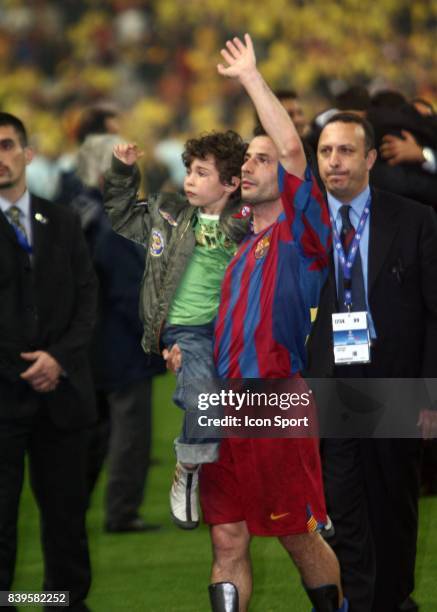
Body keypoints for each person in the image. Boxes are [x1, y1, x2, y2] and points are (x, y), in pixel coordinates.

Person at [178, 34, 346, 612]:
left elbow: (295, 152)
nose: (249, 165)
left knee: (298, 535)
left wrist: (251, 77)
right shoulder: (230, 239)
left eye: (261, 158)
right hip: (222, 403)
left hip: (276, 399)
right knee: (226, 537)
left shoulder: (302, 231)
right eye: (245, 158)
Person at [307, 111, 437, 611]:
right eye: (325, 151)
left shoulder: (414, 218)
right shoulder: (304, 223)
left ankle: (395, 599)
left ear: (368, 158)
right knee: (342, 506)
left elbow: (434, 313)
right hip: (331, 383)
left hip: (397, 383)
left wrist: (427, 393)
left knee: (395, 506)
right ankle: (360, 601)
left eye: (344, 151)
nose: (333, 162)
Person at [103, 130, 249, 529]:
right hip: (186, 330)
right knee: (203, 400)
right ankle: (188, 468)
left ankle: (304, 503)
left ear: (231, 183)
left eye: (202, 173)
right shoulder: (167, 212)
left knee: (272, 413)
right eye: (189, 170)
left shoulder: (248, 220)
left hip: (237, 331)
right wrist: (122, 172)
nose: (189, 179)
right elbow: (120, 214)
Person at [0, 112, 97, 610]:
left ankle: (65, 603)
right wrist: (22, 364)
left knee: (65, 516)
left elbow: (87, 298)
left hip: (62, 395)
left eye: (6, 145)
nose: (0, 158)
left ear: (27, 153)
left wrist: (57, 359)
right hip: (3, 396)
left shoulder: (60, 220)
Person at [71, 133, 165, 532]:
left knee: (100, 430)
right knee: (131, 432)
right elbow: (131, 292)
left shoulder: (86, 213)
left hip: (98, 340)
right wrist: (156, 336)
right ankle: (122, 511)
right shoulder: (115, 225)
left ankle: (76, 503)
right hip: (122, 343)